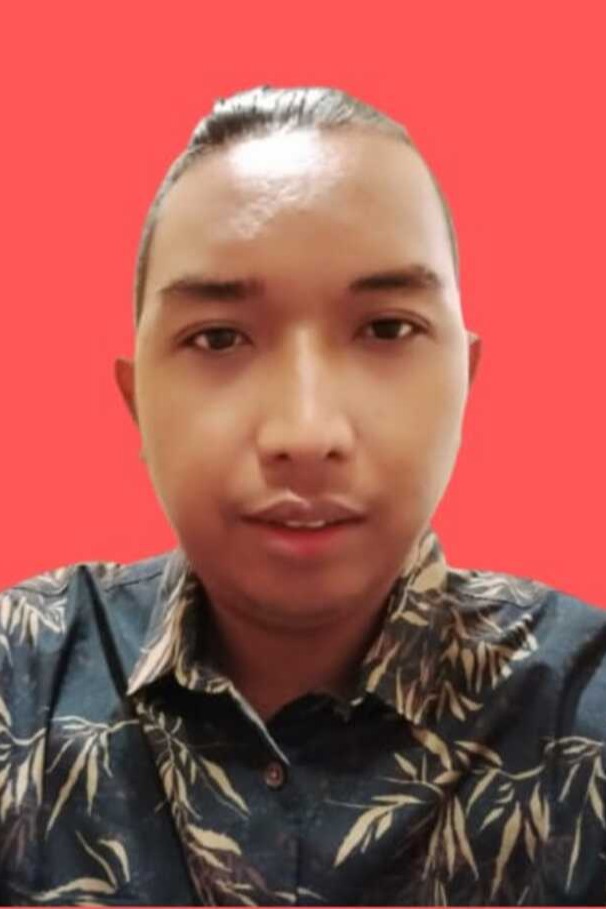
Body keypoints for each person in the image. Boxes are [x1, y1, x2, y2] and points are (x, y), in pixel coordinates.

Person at [1, 85, 605, 908]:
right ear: (137, 400)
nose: (306, 431)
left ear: (464, 380)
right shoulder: (23, 681)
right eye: (219, 337)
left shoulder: (583, 708)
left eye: (386, 328)